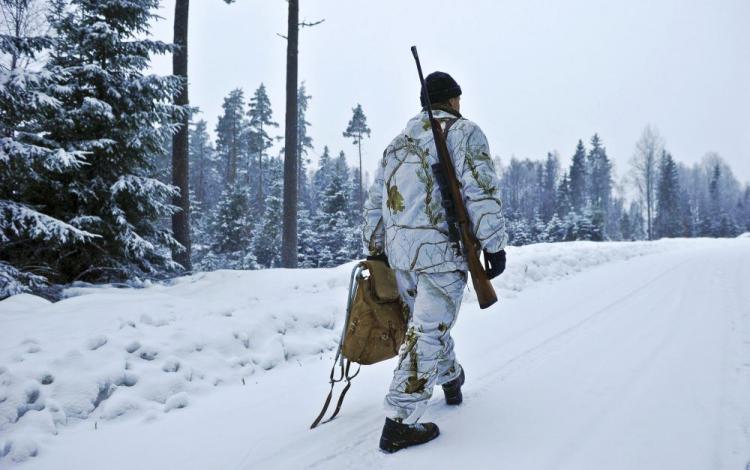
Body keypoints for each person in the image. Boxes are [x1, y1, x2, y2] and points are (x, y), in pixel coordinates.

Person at [362, 71, 508, 453]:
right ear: (454, 100)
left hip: (401, 255)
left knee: (424, 325)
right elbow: (481, 190)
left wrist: (375, 248)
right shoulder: (464, 133)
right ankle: (399, 421)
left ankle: (451, 378)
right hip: (441, 253)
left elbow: (376, 201)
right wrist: (494, 245)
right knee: (427, 331)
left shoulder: (397, 144)